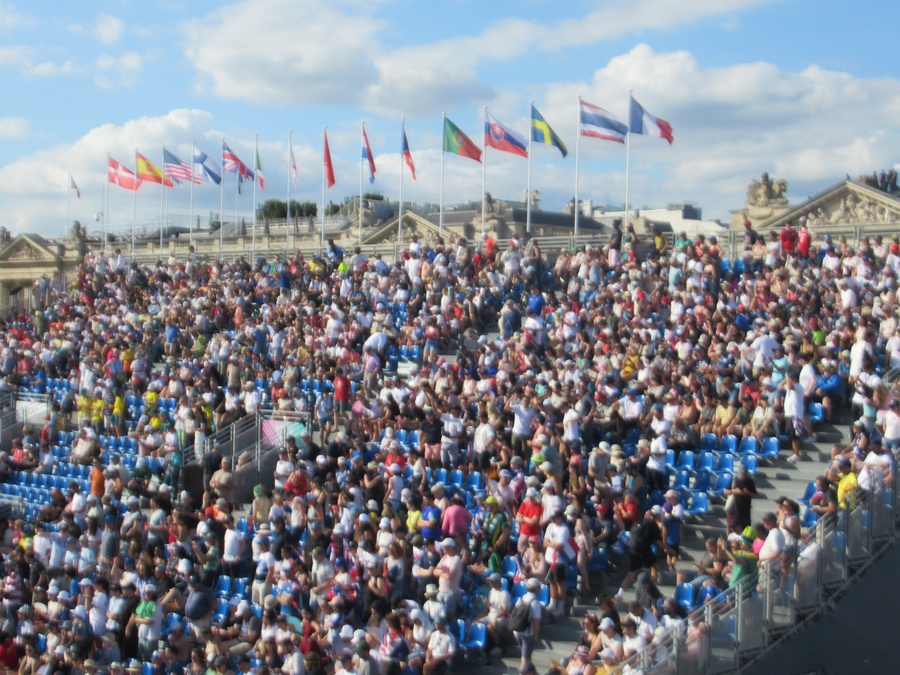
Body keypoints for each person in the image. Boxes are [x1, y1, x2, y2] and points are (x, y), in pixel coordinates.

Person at [512, 577, 542, 672]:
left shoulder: (521, 598)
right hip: (527, 634)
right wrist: (536, 636)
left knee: (527, 658)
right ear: (536, 588)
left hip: (517, 631)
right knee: (524, 660)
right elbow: (536, 622)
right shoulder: (535, 603)